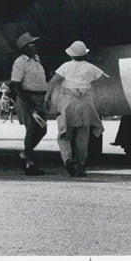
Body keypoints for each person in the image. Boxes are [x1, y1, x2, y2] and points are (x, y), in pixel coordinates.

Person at [46, 40, 108, 177]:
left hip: (68, 101)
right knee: (82, 136)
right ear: (85, 55)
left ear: (71, 55)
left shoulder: (65, 66)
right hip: (85, 103)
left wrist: (48, 97)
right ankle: (80, 166)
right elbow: (103, 78)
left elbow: (53, 81)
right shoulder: (91, 67)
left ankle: (67, 159)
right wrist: (85, 84)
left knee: (64, 133)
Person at [9, 32, 49, 176]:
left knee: (42, 129)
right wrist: (28, 104)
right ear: (25, 47)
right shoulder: (20, 62)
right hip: (28, 98)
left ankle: (25, 155)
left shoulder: (36, 59)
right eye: (32, 44)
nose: (35, 46)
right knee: (31, 130)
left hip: (39, 98)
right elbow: (16, 84)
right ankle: (28, 163)